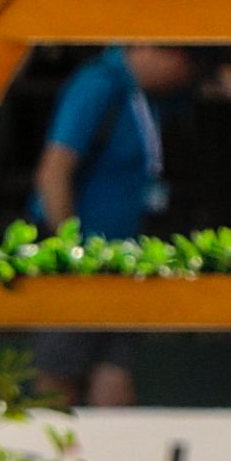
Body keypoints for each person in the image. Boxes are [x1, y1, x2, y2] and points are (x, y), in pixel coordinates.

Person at [29, 43, 193, 406]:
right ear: (152, 51)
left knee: (115, 373)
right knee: (59, 378)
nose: (187, 72)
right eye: (184, 60)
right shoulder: (97, 85)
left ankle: (120, 460)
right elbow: (54, 173)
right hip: (80, 264)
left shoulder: (145, 95)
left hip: (122, 260)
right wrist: (69, 253)